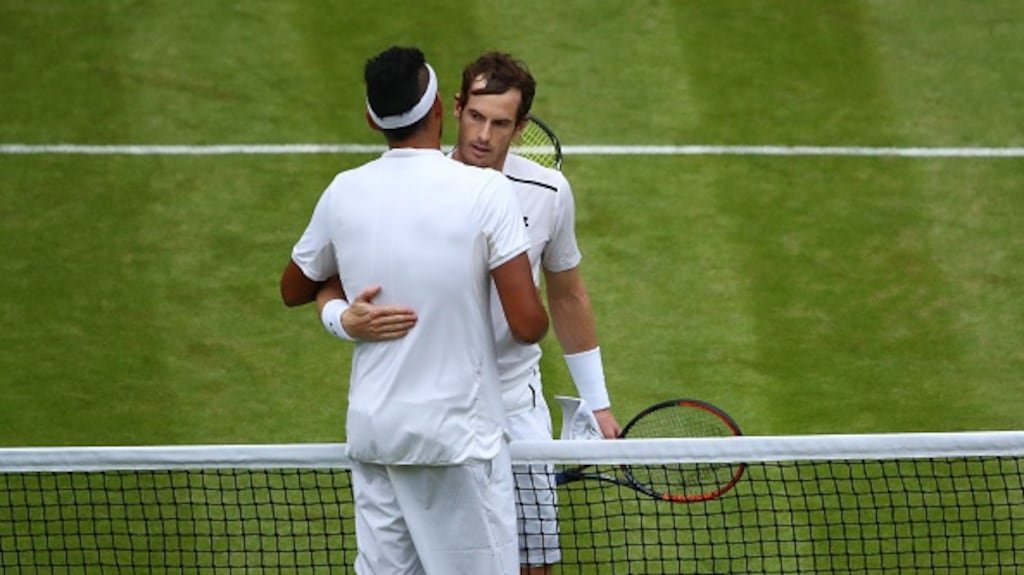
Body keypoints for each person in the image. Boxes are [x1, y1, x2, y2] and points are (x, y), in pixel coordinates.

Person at [315, 52, 622, 575]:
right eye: (475, 117)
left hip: (515, 404)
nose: (483, 135)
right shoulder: (411, 187)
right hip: (441, 412)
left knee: (532, 566)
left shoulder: (550, 194)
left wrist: (596, 402)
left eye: (501, 123)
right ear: (453, 108)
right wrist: (343, 316)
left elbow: (568, 294)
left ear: (521, 128)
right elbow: (327, 276)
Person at [279, 46, 548, 575]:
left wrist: (340, 318)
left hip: (377, 434)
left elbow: (295, 287)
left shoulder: (343, 192)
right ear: (439, 112)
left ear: (372, 119)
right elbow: (527, 324)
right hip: (459, 442)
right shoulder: (486, 190)